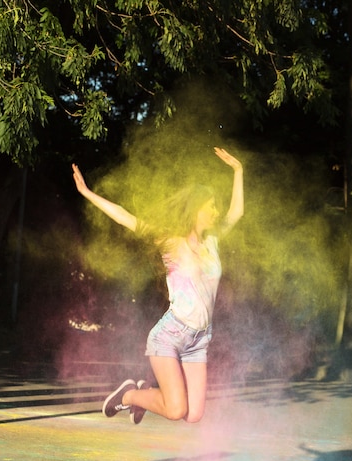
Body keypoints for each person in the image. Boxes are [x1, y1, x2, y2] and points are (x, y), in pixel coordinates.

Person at [72, 147, 243, 424]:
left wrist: (238, 170)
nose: (216, 210)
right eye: (210, 205)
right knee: (175, 410)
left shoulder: (213, 240)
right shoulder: (171, 242)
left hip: (200, 340)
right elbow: (127, 219)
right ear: (196, 209)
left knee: (194, 415)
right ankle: (129, 396)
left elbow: (236, 213)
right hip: (170, 335)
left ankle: (145, 393)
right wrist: (88, 193)